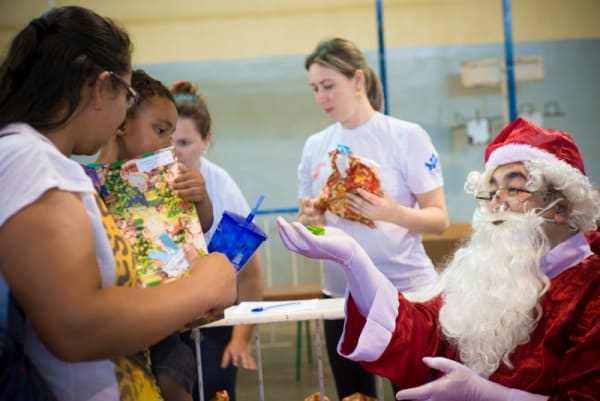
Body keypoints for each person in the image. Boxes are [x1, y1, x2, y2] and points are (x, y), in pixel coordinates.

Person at [0, 7, 236, 401]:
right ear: (99, 87)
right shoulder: (27, 160)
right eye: (126, 95)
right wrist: (202, 287)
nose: (123, 114)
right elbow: (76, 327)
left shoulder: (45, 162)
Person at [278, 117, 600, 400]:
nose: (497, 202)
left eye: (514, 190)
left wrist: (488, 396)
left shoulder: (590, 290)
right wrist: (354, 260)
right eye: (492, 190)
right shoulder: (496, 275)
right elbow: (425, 331)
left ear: (562, 208)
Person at [297, 37, 449, 399]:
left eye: (329, 86)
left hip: (405, 291)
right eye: (315, 88)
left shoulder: (405, 136)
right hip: (342, 295)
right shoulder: (315, 146)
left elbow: (439, 218)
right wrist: (311, 218)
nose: (321, 97)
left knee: (416, 392)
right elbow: (315, 229)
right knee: (353, 395)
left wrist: (391, 213)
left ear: (358, 80)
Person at [95, 69, 214, 401]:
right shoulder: (86, 185)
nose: (169, 144)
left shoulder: (169, 177)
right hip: (116, 324)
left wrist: (199, 197)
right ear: (120, 123)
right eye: (161, 131)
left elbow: (200, 227)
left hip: (164, 322)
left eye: (172, 134)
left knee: (173, 377)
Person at [171, 80, 264, 401]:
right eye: (165, 137)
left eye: (184, 141)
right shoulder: (143, 185)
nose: (174, 151)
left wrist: (240, 339)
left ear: (206, 140)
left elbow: (251, 276)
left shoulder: (223, 190)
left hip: (215, 327)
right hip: (161, 323)